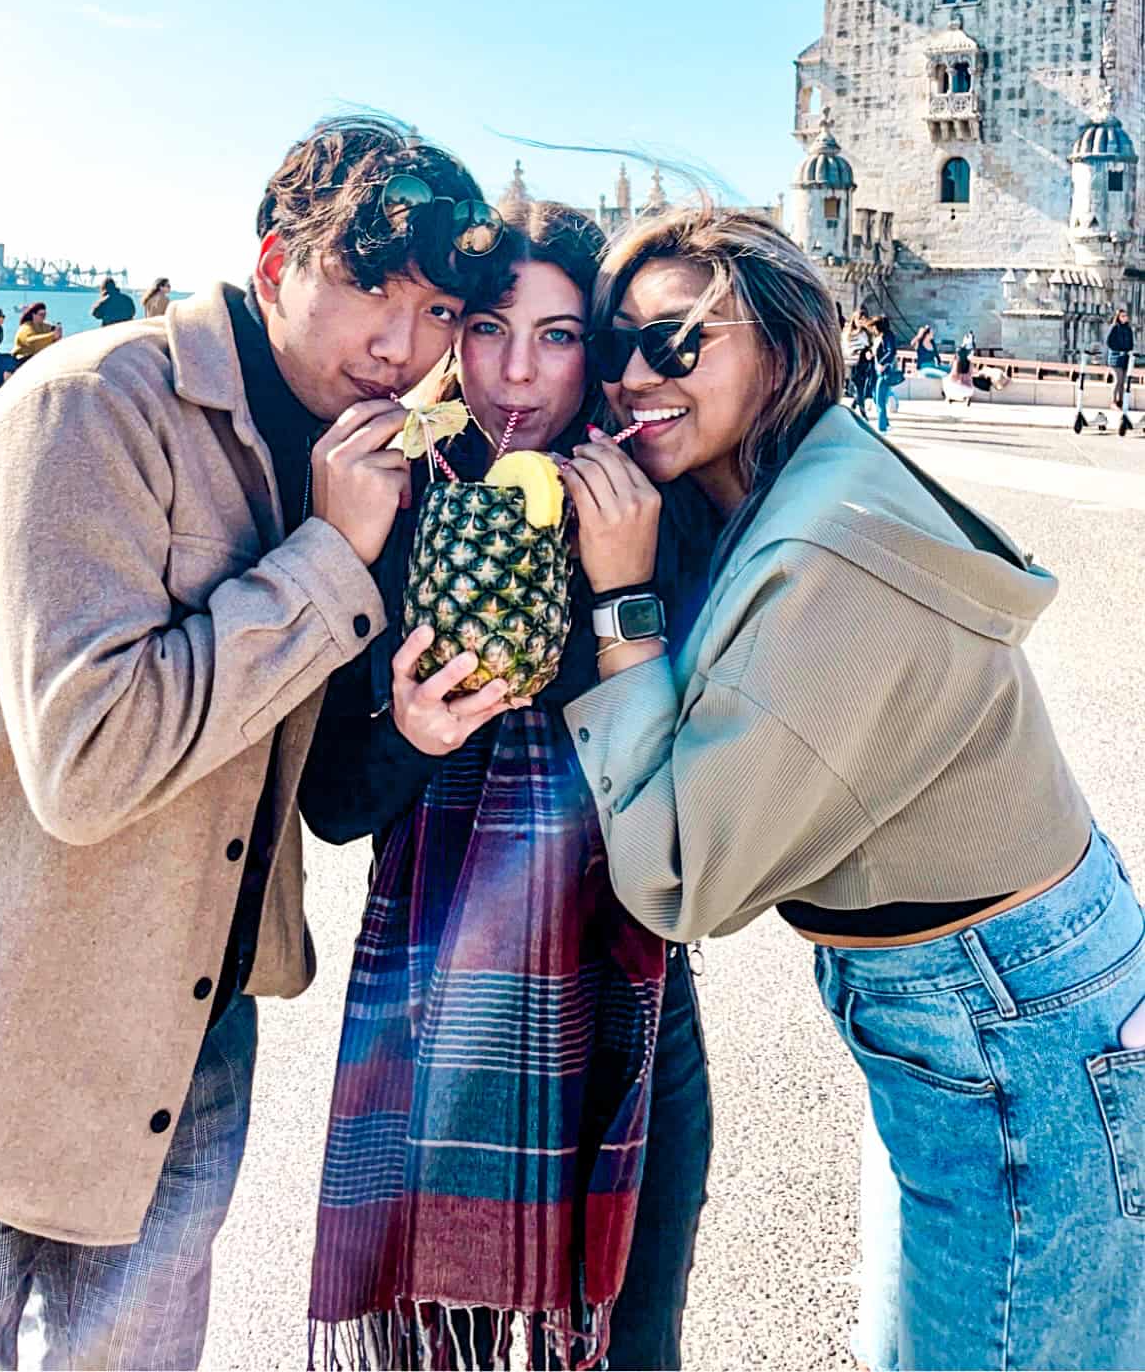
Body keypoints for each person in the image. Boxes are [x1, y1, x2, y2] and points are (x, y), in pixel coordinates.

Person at [0, 117, 507, 1372]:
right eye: (368, 289)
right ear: (271, 263)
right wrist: (326, 556)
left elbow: (325, 798)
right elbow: (89, 768)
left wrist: (411, 726)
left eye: (435, 315)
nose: (399, 347)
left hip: (195, 1034)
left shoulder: (359, 460)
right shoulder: (90, 411)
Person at [558, 201, 1145, 1371]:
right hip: (987, 1003)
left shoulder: (820, 546)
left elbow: (682, 883)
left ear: (782, 343)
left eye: (678, 339)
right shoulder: (790, 478)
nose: (631, 375)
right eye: (616, 342)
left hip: (1003, 1029)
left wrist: (620, 605)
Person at [299, 201, 715, 1371]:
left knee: (632, 1345)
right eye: (486, 328)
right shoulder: (392, 502)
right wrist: (412, 738)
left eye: (560, 334)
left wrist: (622, 593)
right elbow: (335, 803)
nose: (517, 372)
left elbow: (702, 826)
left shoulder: (662, 512)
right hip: (433, 1017)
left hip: (630, 1010)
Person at [871, 314, 901, 435]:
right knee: (876, 397)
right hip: (877, 372)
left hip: (884, 372)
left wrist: (883, 363)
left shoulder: (888, 336)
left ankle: (882, 427)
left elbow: (891, 351)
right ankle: (886, 423)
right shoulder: (881, 337)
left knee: (880, 400)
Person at [842, 309, 874, 415]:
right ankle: (863, 413)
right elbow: (846, 348)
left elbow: (870, 346)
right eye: (859, 320)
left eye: (863, 320)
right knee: (859, 387)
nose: (861, 322)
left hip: (864, 363)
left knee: (861, 387)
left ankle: (854, 405)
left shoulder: (867, 333)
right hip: (852, 363)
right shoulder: (848, 333)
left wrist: (869, 351)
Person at [1107, 306, 1134, 410]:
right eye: (1122, 316)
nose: (1125, 318)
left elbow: (1131, 343)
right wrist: (1119, 351)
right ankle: (1113, 402)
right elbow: (1109, 342)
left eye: (1126, 316)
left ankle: (1121, 401)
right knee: (1117, 380)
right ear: (1118, 317)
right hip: (1115, 358)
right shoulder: (1114, 328)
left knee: (1123, 382)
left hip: (1125, 358)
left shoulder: (1128, 329)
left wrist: (1129, 351)